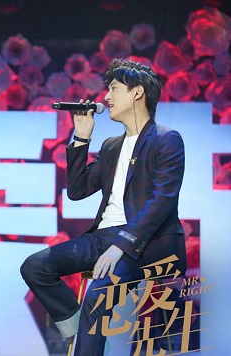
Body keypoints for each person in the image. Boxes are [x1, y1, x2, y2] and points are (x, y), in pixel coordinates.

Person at [20, 58, 187, 355]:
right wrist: (82, 137)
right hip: (103, 237)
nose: (105, 98)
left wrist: (121, 245)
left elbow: (161, 201)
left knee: (97, 294)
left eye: (113, 89)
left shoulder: (166, 139)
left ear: (137, 93)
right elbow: (77, 190)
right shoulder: (111, 146)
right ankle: (79, 331)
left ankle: (87, 343)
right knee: (35, 266)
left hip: (148, 242)